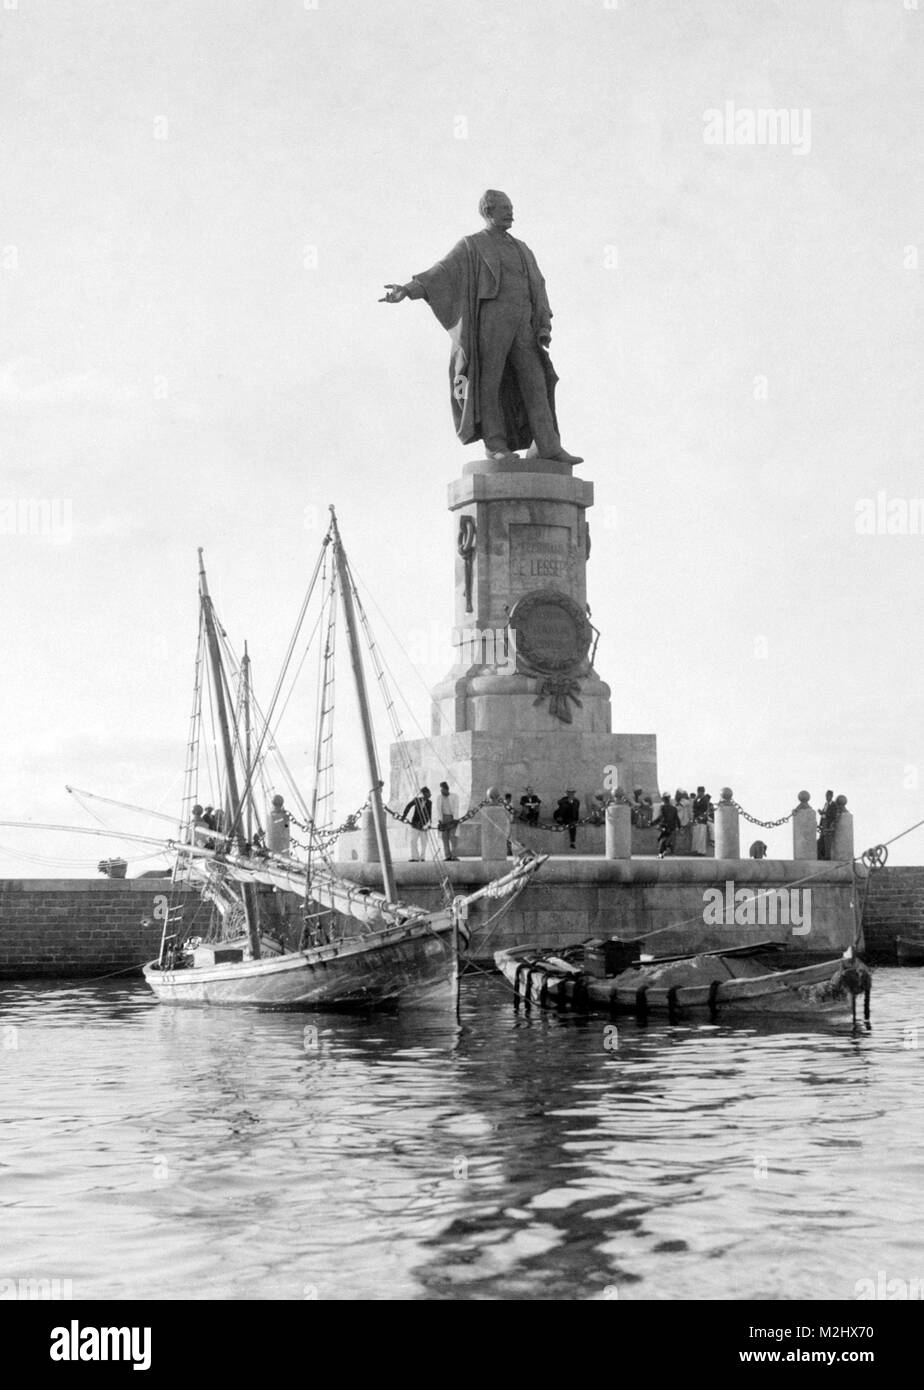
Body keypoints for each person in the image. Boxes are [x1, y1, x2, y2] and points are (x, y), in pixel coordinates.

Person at [380, 191, 582, 465]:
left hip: (523, 322)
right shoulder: (472, 245)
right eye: (504, 209)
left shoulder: (522, 248)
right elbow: (441, 273)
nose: (511, 213)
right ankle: (495, 444)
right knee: (490, 383)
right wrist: (407, 289)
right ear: (488, 211)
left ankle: (547, 445)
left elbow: (538, 284)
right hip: (491, 321)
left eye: (511, 208)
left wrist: (542, 321)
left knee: (537, 382)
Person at [401, 786, 432, 861]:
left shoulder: (429, 803)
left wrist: (429, 824)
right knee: (413, 841)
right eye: (428, 793)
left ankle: (422, 857)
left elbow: (429, 814)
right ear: (424, 794)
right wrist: (404, 816)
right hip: (415, 823)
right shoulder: (417, 800)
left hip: (424, 825)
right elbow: (408, 806)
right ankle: (415, 857)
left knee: (424, 842)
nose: (429, 795)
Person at [435, 781, 460, 861]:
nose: (441, 791)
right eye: (441, 790)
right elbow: (438, 810)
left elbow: (456, 808)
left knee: (453, 838)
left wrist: (455, 819)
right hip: (443, 818)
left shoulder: (454, 796)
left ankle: (454, 856)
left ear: (447, 789)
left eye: (443, 790)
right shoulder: (439, 797)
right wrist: (439, 820)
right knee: (444, 838)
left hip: (452, 818)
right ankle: (447, 856)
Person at [656, 793, 680, 858]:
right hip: (672, 827)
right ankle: (671, 851)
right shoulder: (674, 808)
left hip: (666, 827)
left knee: (662, 839)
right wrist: (679, 826)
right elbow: (677, 818)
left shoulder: (663, 807)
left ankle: (662, 853)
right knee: (669, 840)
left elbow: (661, 817)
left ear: (664, 800)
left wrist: (654, 823)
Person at [692, 787, 711, 856]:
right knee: (696, 836)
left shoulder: (705, 800)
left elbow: (705, 811)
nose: (699, 793)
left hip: (702, 820)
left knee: (701, 836)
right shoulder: (697, 799)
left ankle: (701, 851)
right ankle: (696, 850)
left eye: (700, 792)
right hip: (697, 820)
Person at [818, 790, 836, 860]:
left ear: (831, 796)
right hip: (824, 823)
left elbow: (833, 815)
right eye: (826, 796)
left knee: (827, 841)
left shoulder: (833, 805)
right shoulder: (826, 804)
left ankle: (827, 856)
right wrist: (820, 824)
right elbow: (823, 815)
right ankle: (821, 856)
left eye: (827, 796)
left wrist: (823, 813)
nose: (826, 797)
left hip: (828, 824)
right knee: (821, 840)